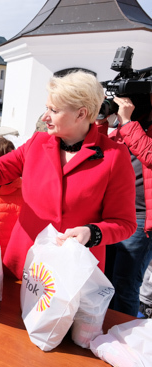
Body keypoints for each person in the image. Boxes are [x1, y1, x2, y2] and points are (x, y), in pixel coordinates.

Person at [0, 71, 137, 279]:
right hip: (24, 262)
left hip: (73, 272)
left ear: (81, 114)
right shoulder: (37, 143)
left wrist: (92, 232)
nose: (45, 117)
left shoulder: (113, 156)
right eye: (46, 108)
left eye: (54, 110)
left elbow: (124, 223)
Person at [104, 91, 152, 316]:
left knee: (124, 284)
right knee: (104, 280)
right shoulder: (125, 130)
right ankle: (102, 331)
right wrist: (100, 121)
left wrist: (128, 122)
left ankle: (122, 339)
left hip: (141, 220)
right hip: (114, 215)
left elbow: (149, 155)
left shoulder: (133, 128)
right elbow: (98, 151)